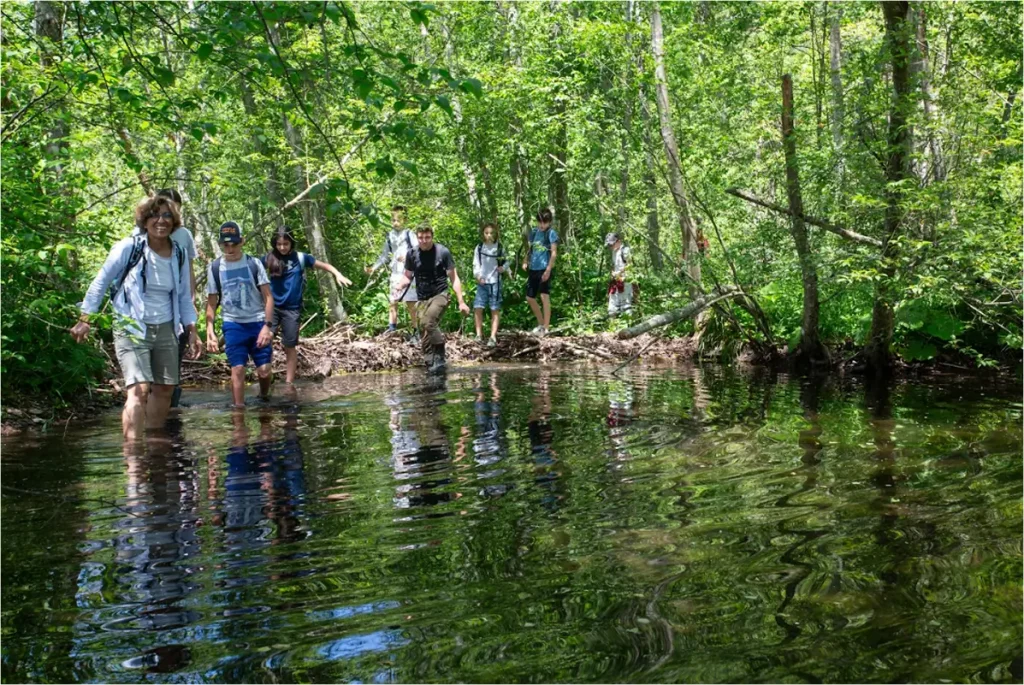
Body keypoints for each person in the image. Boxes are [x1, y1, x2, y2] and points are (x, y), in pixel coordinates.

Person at [71, 195, 201, 440]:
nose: (161, 221)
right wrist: (85, 319)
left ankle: (153, 443)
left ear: (174, 221)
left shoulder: (179, 254)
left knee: (165, 388)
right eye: (154, 215)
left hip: (167, 326)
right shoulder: (128, 247)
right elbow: (101, 282)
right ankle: (133, 452)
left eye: (167, 216)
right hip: (131, 325)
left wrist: (192, 329)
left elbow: (184, 295)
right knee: (139, 389)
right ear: (144, 220)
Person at [131, 189, 197, 409]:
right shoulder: (137, 236)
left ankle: (170, 411)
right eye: (159, 212)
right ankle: (146, 407)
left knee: (172, 364)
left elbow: (188, 270)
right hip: (141, 312)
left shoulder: (184, 235)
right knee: (143, 377)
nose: (163, 219)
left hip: (174, 309)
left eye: (170, 212)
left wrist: (190, 303)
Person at [263, 226, 353, 384]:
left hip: (292, 310)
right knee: (266, 340)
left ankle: (289, 384)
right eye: (279, 244)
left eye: (285, 244)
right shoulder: (269, 258)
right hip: (273, 308)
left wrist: (338, 274)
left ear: (291, 242)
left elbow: (324, 265)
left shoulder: (300, 258)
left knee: (289, 346)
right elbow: (251, 268)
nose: (282, 247)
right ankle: (266, 377)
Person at [205, 221, 275, 407]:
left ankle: (264, 397)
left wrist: (267, 327)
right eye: (225, 245)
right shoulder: (215, 268)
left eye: (233, 244)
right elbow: (211, 302)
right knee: (237, 368)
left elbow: (268, 297)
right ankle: (239, 410)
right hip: (233, 324)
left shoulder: (254, 264)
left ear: (242, 241)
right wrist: (210, 330)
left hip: (257, 321)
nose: (230, 249)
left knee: (264, 371)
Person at [391, 224, 470, 373]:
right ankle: (429, 362)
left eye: (427, 237)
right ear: (417, 238)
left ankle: (439, 356)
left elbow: (454, 278)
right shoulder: (412, 254)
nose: (424, 241)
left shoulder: (442, 252)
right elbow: (407, 276)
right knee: (423, 328)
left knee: (428, 321)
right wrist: (399, 286)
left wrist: (461, 302)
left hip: (440, 294)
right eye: (420, 237)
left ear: (432, 237)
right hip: (422, 297)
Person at [365, 204, 419, 338]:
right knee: (393, 301)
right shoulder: (390, 236)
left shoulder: (409, 234)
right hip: (395, 273)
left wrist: (407, 257)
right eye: (393, 220)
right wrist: (374, 268)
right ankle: (392, 330)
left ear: (405, 220)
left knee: (411, 303)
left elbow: (418, 251)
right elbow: (384, 255)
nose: (395, 223)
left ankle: (416, 332)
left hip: (408, 274)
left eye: (398, 220)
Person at [521, 207, 559, 336]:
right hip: (533, 268)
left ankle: (546, 328)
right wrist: (525, 260)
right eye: (540, 222)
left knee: (544, 296)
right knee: (529, 297)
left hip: (544, 268)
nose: (542, 225)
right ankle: (541, 324)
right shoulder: (534, 232)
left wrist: (548, 270)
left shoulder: (551, 233)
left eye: (545, 222)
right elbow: (530, 249)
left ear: (549, 222)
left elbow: (554, 253)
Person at [472, 222, 507, 347]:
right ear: (483, 234)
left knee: (494, 309)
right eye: (486, 233)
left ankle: (493, 337)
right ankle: (478, 334)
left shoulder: (499, 247)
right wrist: (478, 276)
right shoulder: (479, 247)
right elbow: (476, 263)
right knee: (478, 307)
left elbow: (507, 261)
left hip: (495, 282)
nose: (489, 235)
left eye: (491, 233)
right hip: (482, 282)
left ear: (495, 233)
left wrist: (503, 268)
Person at [605, 232, 633, 317]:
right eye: (609, 245)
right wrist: (613, 273)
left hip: (625, 282)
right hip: (616, 281)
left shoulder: (625, 250)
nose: (611, 247)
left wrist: (620, 273)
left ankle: (629, 323)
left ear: (618, 241)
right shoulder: (614, 252)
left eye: (612, 244)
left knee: (626, 306)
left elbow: (630, 264)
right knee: (612, 307)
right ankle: (613, 323)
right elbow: (615, 265)